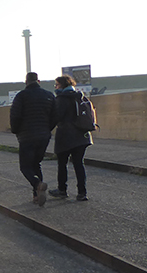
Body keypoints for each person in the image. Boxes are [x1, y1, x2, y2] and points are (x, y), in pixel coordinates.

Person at [10, 72, 57, 206]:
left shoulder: (21, 96)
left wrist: (15, 130)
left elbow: (15, 116)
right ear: (38, 81)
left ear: (26, 82)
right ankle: (37, 195)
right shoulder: (49, 95)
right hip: (43, 136)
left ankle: (37, 184)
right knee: (36, 164)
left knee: (25, 166)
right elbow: (55, 115)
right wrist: (47, 129)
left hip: (27, 136)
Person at [49, 75, 92, 201]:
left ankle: (62, 190)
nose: (55, 87)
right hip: (82, 135)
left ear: (62, 85)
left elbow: (57, 117)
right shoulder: (80, 96)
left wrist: (47, 129)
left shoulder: (61, 99)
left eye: (56, 85)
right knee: (79, 164)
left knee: (62, 163)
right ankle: (82, 192)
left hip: (66, 135)